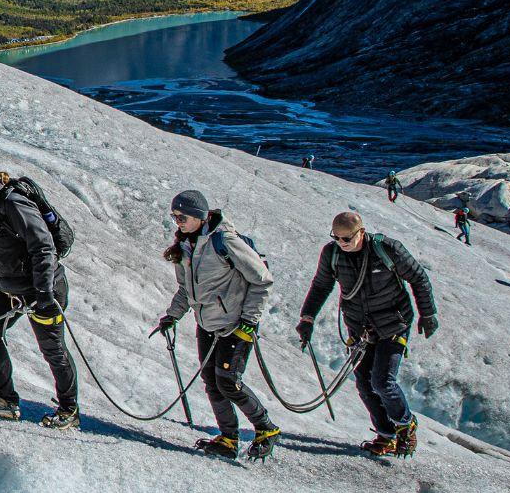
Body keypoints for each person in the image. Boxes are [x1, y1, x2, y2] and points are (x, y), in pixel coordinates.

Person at [150, 191, 281, 460]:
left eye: (182, 216)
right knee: (212, 381)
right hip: (207, 323)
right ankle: (228, 438)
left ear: (199, 216)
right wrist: (172, 316)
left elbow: (262, 280)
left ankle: (266, 428)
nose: (177, 221)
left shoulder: (224, 241)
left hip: (236, 325)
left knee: (228, 381)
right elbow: (186, 289)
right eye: (174, 216)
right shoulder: (186, 246)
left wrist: (249, 321)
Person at [297, 212, 438, 458]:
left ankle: (405, 425)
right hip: (361, 329)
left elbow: (418, 277)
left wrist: (428, 314)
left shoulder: (387, 249)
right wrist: (307, 318)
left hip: (394, 323)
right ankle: (386, 434)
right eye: (337, 238)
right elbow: (321, 285)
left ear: (361, 232)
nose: (342, 243)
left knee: (382, 381)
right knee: (364, 382)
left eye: (346, 238)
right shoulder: (332, 254)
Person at [0, 156, 79, 428]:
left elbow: (44, 247)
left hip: (42, 289)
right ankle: (5, 399)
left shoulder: (13, 203)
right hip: (9, 286)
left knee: (52, 349)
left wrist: (44, 292)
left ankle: (69, 411)